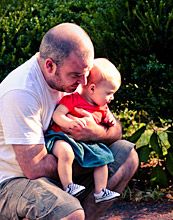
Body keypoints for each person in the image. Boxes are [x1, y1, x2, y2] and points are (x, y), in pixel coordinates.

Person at [0, 23, 139, 220]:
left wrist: (97, 134)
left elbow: (115, 129)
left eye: (86, 74)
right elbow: (34, 168)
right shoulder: (22, 92)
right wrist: (88, 155)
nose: (84, 82)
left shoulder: (74, 78)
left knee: (126, 155)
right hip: (5, 184)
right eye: (76, 76)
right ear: (50, 65)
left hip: (53, 168)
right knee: (70, 218)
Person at [45, 58, 122, 204]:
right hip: (61, 137)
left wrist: (110, 121)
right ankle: (68, 186)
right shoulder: (73, 99)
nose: (112, 98)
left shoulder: (102, 107)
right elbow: (57, 114)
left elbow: (109, 121)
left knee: (102, 158)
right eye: (109, 93)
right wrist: (70, 122)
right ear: (92, 89)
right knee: (66, 153)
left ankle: (100, 191)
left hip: (84, 143)